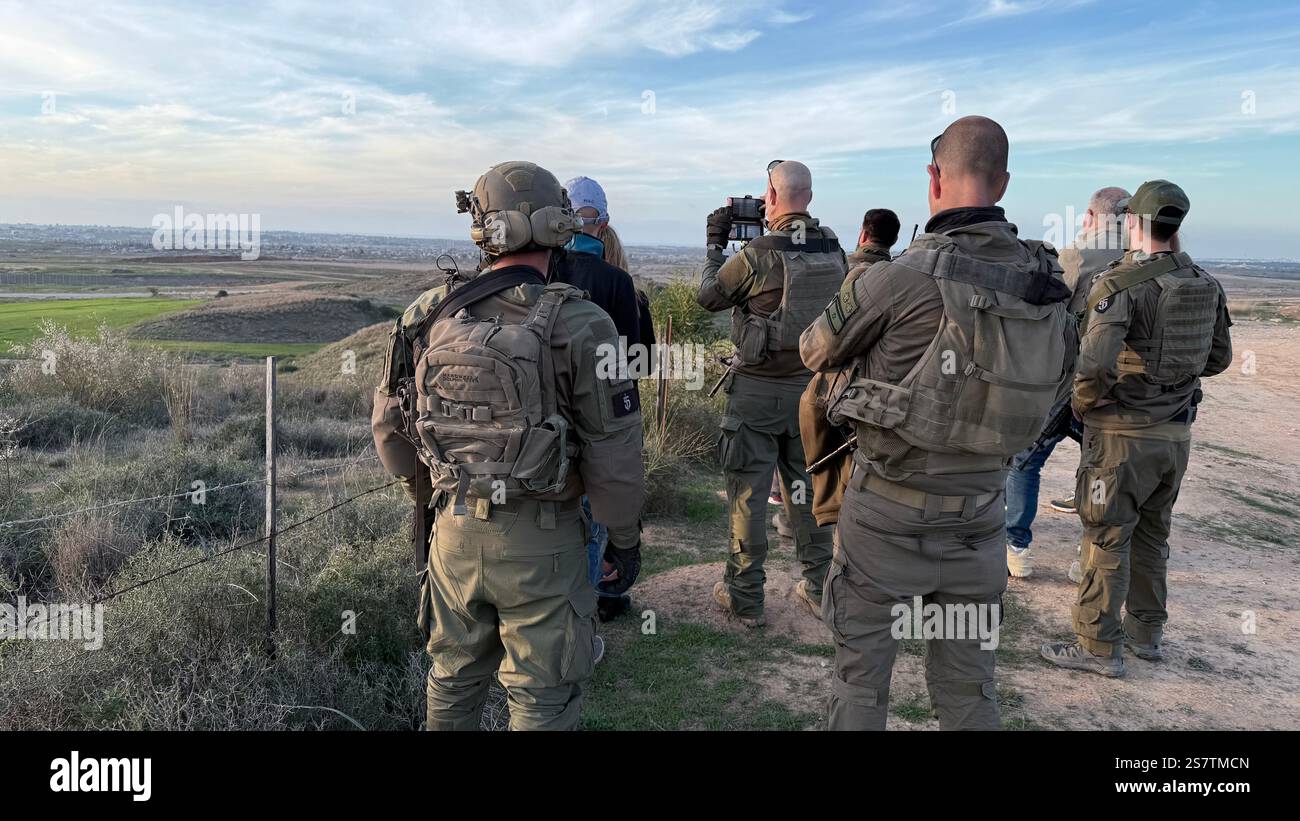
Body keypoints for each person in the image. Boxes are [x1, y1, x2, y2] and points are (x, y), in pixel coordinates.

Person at [801, 116, 1073, 730]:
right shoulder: (1047, 289)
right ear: (1002, 183)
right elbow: (1063, 386)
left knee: (861, 685)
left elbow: (815, 351)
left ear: (932, 178)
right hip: (981, 520)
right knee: (969, 694)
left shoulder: (896, 277)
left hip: (885, 519)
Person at [372, 161, 645, 730]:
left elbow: (389, 429)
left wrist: (428, 496)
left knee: (451, 684)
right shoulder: (584, 322)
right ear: (556, 227)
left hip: (452, 535)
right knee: (543, 700)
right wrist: (623, 540)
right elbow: (614, 453)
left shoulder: (427, 314)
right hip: (544, 543)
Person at [1041, 179, 1233, 677]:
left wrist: (1085, 406)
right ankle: (1146, 635)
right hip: (1175, 437)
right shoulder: (1205, 284)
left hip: (1120, 440)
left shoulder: (1119, 284)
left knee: (1105, 537)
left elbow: (1094, 366)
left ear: (1132, 222)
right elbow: (1218, 359)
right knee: (1153, 536)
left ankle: (1097, 648)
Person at [697, 160, 848, 625]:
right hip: (813, 395)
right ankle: (820, 586)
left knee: (748, 496)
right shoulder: (835, 250)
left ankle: (745, 597)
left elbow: (709, 297)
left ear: (772, 196)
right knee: (806, 493)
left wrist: (714, 245)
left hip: (756, 394)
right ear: (809, 197)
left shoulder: (759, 254)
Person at [1006, 186, 1129, 578]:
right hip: (1119, 382)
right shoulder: (1140, 260)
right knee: (1099, 469)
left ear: (1091, 217)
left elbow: (1048, 311)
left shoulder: (1078, 255)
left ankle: (1018, 549)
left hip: (1068, 378)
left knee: (1025, 461)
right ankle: (1087, 556)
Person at [561, 174, 647, 622]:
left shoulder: (545, 272)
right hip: (602, 418)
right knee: (593, 518)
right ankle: (588, 613)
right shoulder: (616, 281)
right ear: (604, 222)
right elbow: (633, 361)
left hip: (548, 418)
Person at [798, 207, 900, 535]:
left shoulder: (845, 269)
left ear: (863, 234)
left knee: (812, 410)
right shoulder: (898, 276)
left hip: (840, 375)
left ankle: (825, 506)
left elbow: (823, 344)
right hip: (884, 385)